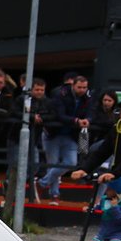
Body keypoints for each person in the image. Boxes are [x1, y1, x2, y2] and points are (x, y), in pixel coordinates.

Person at [41, 75, 93, 205]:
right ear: (73, 86)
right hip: (53, 134)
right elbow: (59, 114)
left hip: (71, 135)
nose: (82, 90)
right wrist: (76, 121)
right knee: (52, 163)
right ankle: (54, 194)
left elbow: (92, 112)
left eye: (84, 87)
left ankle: (42, 183)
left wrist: (88, 120)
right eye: (79, 87)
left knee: (70, 163)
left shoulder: (88, 98)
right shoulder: (61, 95)